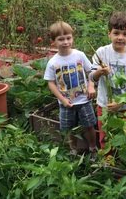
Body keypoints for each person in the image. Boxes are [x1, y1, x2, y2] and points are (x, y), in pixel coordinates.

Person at [44, 21, 97, 157]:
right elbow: (51, 83)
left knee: (89, 125)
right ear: (53, 41)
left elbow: (91, 72)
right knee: (69, 129)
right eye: (61, 39)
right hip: (66, 103)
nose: (66, 42)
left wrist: (91, 86)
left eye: (68, 38)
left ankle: (92, 148)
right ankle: (73, 150)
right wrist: (62, 99)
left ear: (72, 38)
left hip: (84, 99)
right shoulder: (53, 62)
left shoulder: (79, 55)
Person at [90, 11, 126, 149]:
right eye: (116, 33)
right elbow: (91, 77)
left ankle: (121, 160)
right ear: (109, 34)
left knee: (123, 136)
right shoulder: (101, 53)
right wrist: (100, 72)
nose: (120, 37)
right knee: (105, 134)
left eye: (125, 34)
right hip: (104, 105)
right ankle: (107, 160)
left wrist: (120, 102)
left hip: (124, 108)